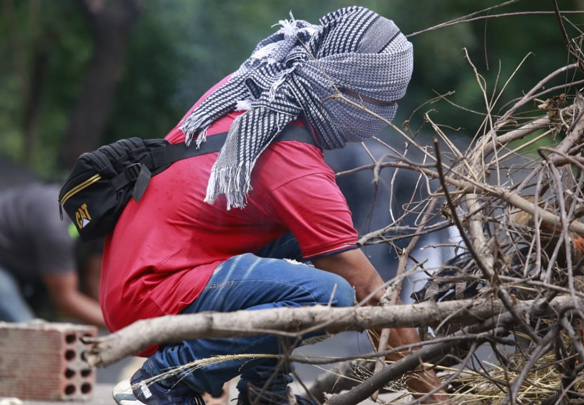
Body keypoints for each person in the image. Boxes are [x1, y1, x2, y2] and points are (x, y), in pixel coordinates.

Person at [107, 6, 448, 405]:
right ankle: (163, 383)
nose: (381, 117)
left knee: (314, 251)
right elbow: (369, 293)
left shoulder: (254, 89)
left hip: (141, 272)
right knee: (333, 294)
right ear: (349, 89)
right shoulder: (292, 160)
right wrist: (433, 394)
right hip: (153, 292)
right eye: (380, 101)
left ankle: (265, 394)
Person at [0, 183, 106, 328]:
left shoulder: (102, 224)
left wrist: (112, 314)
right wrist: (126, 328)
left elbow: (94, 278)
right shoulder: (58, 229)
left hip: (25, 260)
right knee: (28, 330)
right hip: (5, 262)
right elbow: (65, 298)